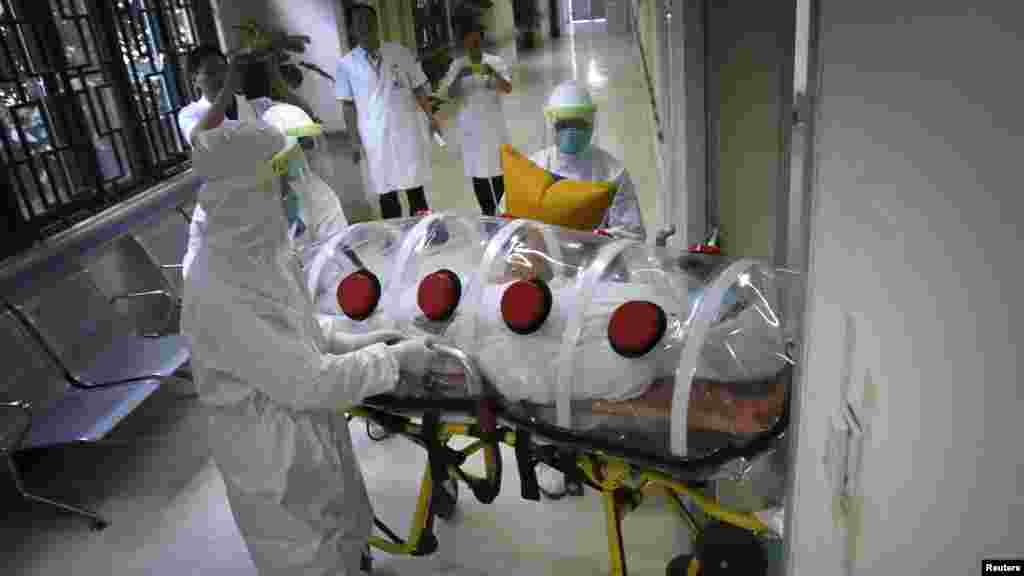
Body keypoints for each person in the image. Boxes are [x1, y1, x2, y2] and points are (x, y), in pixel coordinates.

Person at [181, 110, 438, 575]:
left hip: (307, 434)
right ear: (248, 193)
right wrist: (393, 361)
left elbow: (297, 329)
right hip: (273, 455)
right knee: (307, 552)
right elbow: (306, 382)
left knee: (341, 524)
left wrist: (356, 338)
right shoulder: (218, 286)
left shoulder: (262, 252)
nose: (292, 192)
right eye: (281, 181)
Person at [502, 80, 646, 242]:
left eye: (578, 124)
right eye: (564, 124)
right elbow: (506, 223)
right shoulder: (534, 167)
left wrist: (591, 239)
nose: (571, 131)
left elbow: (631, 234)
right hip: (543, 258)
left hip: (594, 260)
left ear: (591, 123)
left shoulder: (612, 173)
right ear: (551, 124)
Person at [335, 3, 439, 219]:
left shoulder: (400, 52)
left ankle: (426, 232)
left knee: (415, 185)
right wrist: (354, 141)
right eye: (359, 22)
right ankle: (393, 237)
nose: (365, 26)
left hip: (405, 129)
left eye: (368, 21)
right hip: (375, 134)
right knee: (386, 191)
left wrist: (431, 117)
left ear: (376, 23)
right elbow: (348, 105)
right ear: (353, 29)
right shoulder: (346, 64)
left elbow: (418, 87)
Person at [437, 14, 512, 216]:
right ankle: (486, 214)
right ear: (464, 43)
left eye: (477, 42)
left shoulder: (495, 61)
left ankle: (503, 212)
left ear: (482, 40)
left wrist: (493, 73)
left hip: (494, 127)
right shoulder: (457, 65)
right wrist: (459, 76)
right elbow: (448, 95)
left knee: (498, 171)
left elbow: (507, 88)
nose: (474, 46)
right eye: (470, 43)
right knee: (477, 172)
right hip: (471, 130)